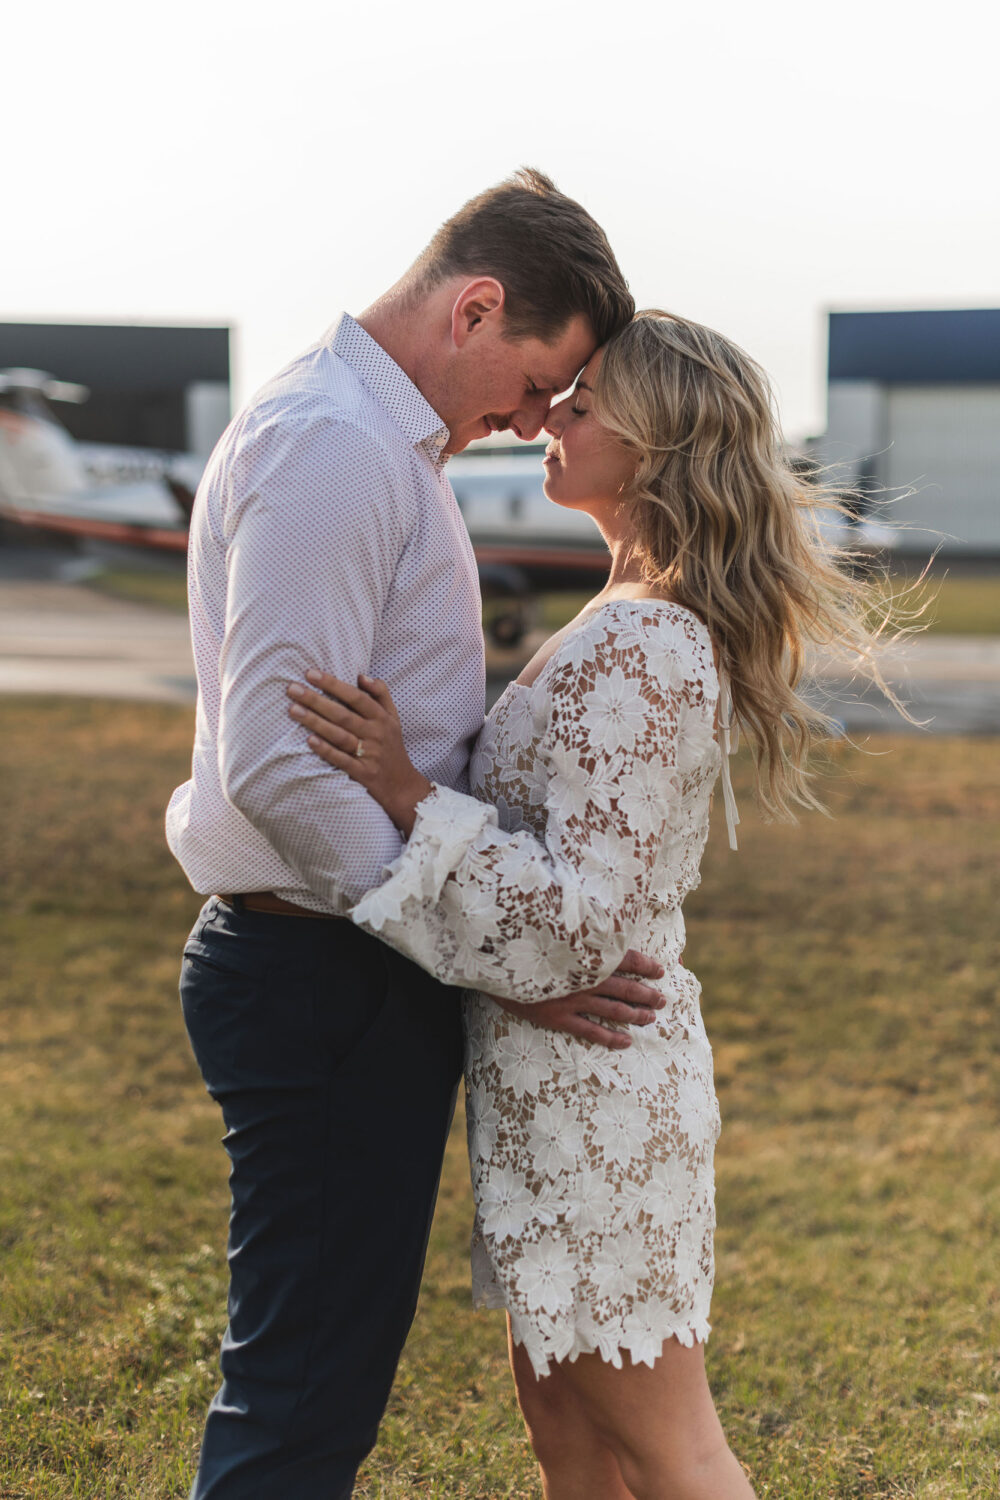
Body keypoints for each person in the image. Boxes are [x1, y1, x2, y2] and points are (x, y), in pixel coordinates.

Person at [286, 311, 897, 1499]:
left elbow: (580, 923)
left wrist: (411, 793)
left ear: (658, 443)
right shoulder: (623, 612)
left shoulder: (648, 646)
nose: (550, 416)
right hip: (549, 1089)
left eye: (585, 403)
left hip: (603, 1099)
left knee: (666, 1444)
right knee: (566, 1431)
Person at [165, 170, 666, 1499]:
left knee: (317, 1384)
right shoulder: (332, 445)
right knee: (303, 1402)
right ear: (478, 306)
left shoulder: (376, 444)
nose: (529, 422)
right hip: (322, 969)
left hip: (341, 958)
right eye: (534, 384)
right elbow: (280, 765)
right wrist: (488, 951)